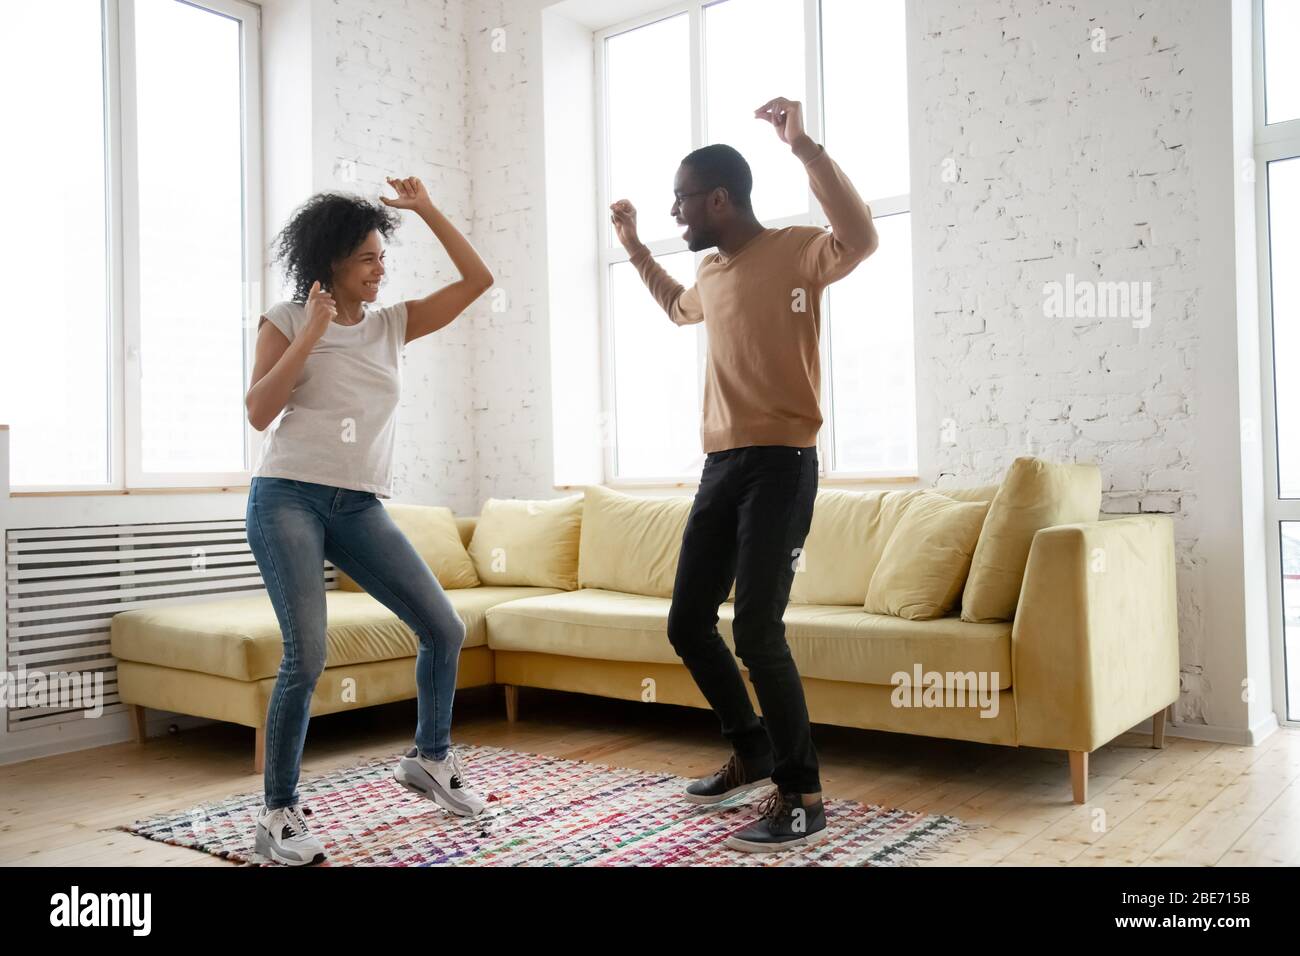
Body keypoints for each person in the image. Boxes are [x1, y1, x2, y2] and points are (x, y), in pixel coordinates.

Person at [609, 97, 879, 852]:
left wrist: (806, 148)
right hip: (720, 467)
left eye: (683, 198)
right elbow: (677, 309)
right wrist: (633, 247)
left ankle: (802, 794)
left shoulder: (798, 252)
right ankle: (753, 748)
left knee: (758, 629)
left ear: (719, 198)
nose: (675, 209)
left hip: (782, 466)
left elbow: (860, 237)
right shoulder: (712, 271)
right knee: (688, 622)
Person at [243, 176, 494, 865]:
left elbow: (478, 278)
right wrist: (312, 333)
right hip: (287, 495)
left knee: (444, 626)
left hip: (356, 504)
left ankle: (430, 759)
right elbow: (260, 412)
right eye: (367, 259)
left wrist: (428, 207)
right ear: (331, 264)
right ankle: (278, 812)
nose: (380, 270)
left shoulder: (392, 324)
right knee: (308, 655)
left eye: (383, 257)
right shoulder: (287, 319)